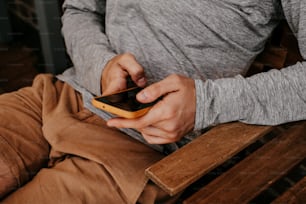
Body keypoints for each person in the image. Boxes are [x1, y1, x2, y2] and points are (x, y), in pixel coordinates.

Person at [0, 0, 305, 203]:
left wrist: (206, 103)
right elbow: (79, 9)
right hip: (55, 98)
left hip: (142, 153)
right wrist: (102, 66)